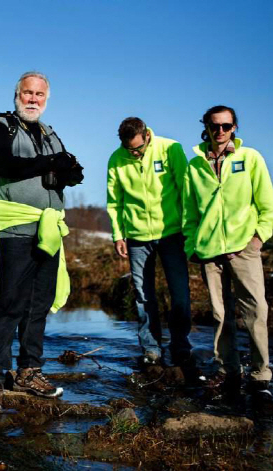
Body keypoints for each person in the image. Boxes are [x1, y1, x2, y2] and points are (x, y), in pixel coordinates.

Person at [0, 71, 84, 413]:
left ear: (46, 99)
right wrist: (51, 162)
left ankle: (29, 371)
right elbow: (2, 163)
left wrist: (66, 168)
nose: (33, 99)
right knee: (9, 303)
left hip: (48, 229)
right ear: (16, 95)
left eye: (39, 94)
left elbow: (75, 173)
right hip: (15, 229)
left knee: (39, 304)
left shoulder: (51, 134)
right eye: (27, 93)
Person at [182, 105, 273, 410]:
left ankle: (261, 377)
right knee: (220, 315)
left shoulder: (250, 158)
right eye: (214, 126)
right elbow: (189, 213)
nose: (220, 131)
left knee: (256, 312)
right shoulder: (194, 166)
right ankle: (229, 372)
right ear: (206, 128)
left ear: (235, 127)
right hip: (209, 253)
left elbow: (268, 206)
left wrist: (257, 239)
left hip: (244, 250)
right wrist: (192, 247)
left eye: (226, 126)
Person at [106, 118, 193, 367]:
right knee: (144, 296)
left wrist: (188, 227)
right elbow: (114, 201)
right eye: (128, 149)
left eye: (137, 148)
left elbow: (185, 190)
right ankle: (151, 348)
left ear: (146, 136)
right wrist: (118, 234)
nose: (133, 153)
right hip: (136, 237)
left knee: (179, 294)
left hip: (172, 233)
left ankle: (180, 344)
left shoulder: (171, 149)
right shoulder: (116, 158)